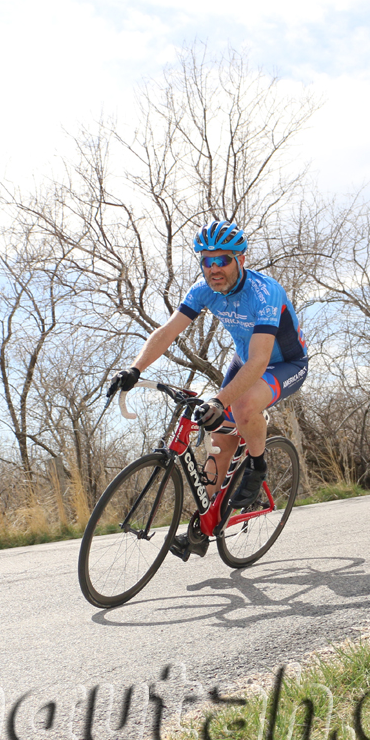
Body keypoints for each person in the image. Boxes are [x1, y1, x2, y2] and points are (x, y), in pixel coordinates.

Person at [109, 219, 308, 559]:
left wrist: (219, 399)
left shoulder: (265, 292)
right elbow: (167, 332)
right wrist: (134, 368)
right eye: (207, 260)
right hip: (242, 362)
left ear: (241, 259)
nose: (214, 268)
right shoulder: (202, 291)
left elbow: (260, 361)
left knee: (243, 406)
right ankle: (202, 527)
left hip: (283, 364)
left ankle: (258, 466)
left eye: (223, 260)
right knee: (220, 443)